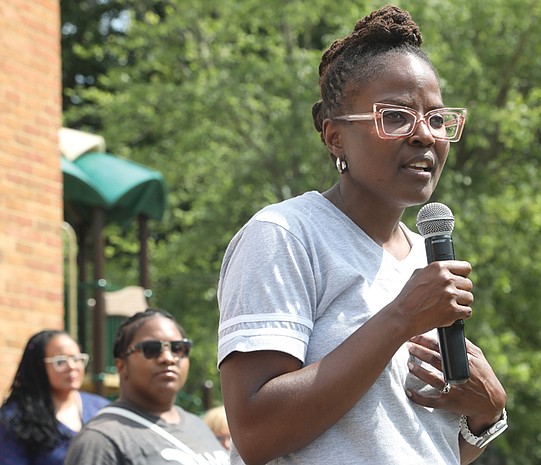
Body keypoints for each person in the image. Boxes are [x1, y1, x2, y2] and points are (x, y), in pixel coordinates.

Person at [217, 5, 508, 465]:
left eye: (436, 119)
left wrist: (485, 416)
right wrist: (400, 318)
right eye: (395, 116)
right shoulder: (286, 235)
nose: (424, 135)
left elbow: (412, 444)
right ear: (335, 138)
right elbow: (256, 433)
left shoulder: (421, 260)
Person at [64, 308, 229, 464]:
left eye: (178, 348)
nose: (168, 358)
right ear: (121, 365)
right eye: (151, 349)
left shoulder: (197, 425)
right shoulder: (100, 440)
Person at [0, 330, 109, 465]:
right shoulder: (16, 417)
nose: (72, 366)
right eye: (61, 361)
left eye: (77, 359)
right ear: (38, 366)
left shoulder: (101, 409)